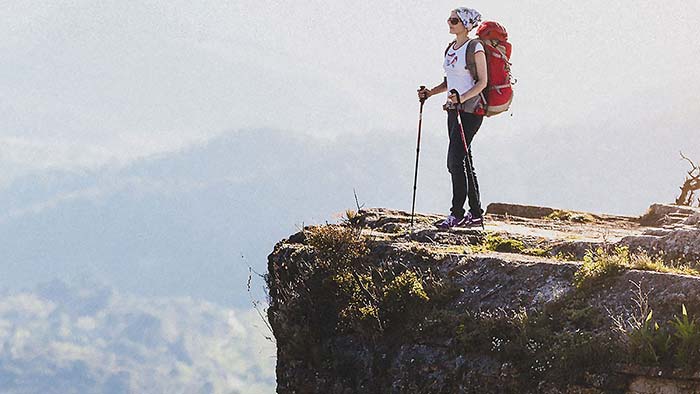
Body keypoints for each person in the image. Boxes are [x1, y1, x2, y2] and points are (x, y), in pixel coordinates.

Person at [418, 7, 487, 229]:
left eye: (455, 20)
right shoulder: (451, 49)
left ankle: (456, 214)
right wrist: (429, 93)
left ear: (466, 24)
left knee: (454, 162)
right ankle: (475, 214)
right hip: (454, 110)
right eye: (449, 19)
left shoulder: (475, 47)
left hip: (471, 111)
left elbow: (482, 82)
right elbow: (450, 81)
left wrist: (462, 98)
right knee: (464, 161)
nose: (450, 22)